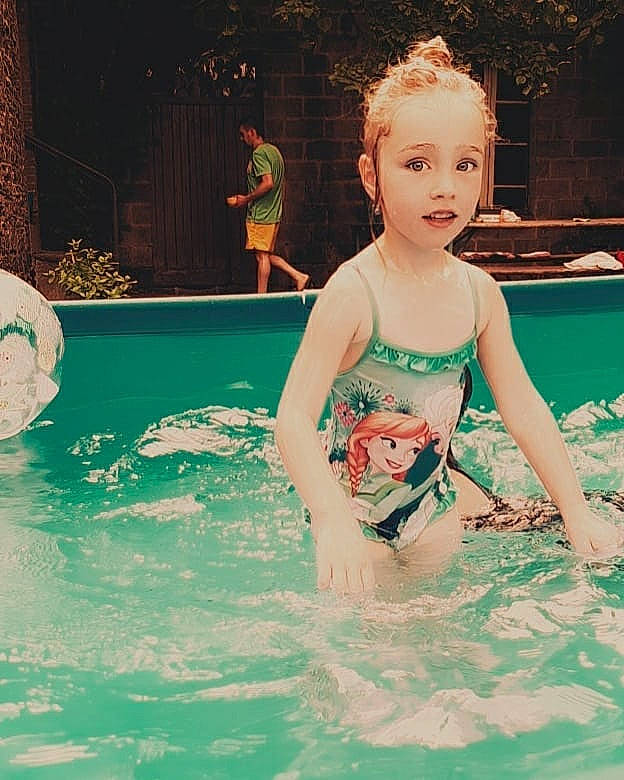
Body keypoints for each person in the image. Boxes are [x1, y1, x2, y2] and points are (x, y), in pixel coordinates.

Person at [274, 36, 624, 594]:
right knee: (369, 663)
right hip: (355, 524)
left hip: (435, 517)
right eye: (417, 164)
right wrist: (334, 525)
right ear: (371, 176)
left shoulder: (478, 294)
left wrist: (577, 510)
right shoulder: (354, 294)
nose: (445, 187)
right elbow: (293, 420)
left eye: (465, 165)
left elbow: (524, 406)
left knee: (447, 657)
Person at [227, 117, 310, 294]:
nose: (242, 139)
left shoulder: (258, 154)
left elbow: (268, 182)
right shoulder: (275, 152)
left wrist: (245, 199)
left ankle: (261, 297)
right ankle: (298, 276)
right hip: (273, 211)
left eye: (243, 135)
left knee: (262, 257)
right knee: (264, 254)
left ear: (252, 132)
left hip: (262, 213)